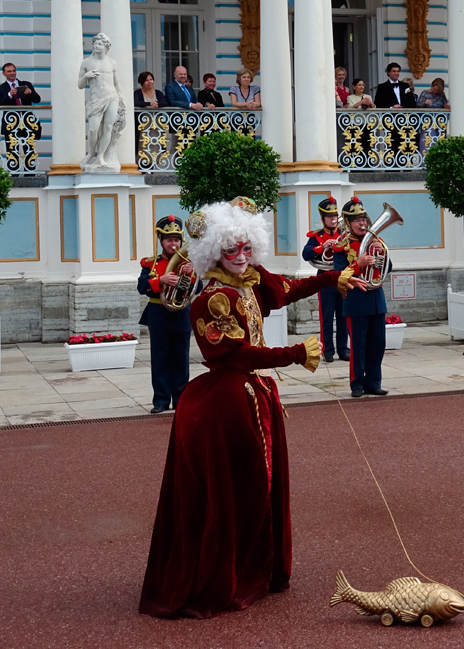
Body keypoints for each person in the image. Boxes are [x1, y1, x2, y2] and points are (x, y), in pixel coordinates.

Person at [140, 199, 364, 618]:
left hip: (253, 395)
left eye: (246, 248)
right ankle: (225, 572)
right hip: (225, 402)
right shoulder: (212, 299)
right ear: (213, 254)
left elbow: (288, 290)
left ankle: (256, 565)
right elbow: (237, 355)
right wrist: (297, 352)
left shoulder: (250, 282)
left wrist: (335, 278)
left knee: (260, 486)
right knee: (238, 491)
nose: (241, 257)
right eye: (231, 251)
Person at [335, 196, 392, 397]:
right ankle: (357, 384)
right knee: (358, 345)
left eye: (364, 219)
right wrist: (358, 265)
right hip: (356, 301)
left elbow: (388, 269)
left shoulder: (377, 242)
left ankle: (373, 382)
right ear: (349, 224)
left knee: (378, 343)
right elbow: (339, 275)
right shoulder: (341, 246)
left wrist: (382, 257)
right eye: (358, 221)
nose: (363, 224)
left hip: (376, 299)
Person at [137, 216, 195, 414]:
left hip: (181, 314)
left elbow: (198, 287)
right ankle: (161, 400)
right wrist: (160, 280)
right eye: (169, 239)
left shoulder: (188, 263)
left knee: (181, 358)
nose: (173, 243)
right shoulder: (150, 264)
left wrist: (191, 275)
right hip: (158, 314)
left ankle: (180, 399)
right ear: (161, 241)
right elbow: (141, 287)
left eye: (176, 239)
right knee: (160, 359)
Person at [302, 196, 349, 364]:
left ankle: (344, 349)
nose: (333, 219)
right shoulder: (316, 236)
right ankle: (328, 350)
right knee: (327, 317)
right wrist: (323, 246)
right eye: (330, 216)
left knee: (344, 316)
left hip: (341, 277)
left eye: (335, 215)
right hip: (325, 279)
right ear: (323, 219)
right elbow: (306, 254)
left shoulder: (344, 235)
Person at [77, 33, 126, 171]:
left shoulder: (112, 63)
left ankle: (100, 157)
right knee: (93, 129)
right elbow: (80, 85)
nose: (96, 46)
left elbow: (117, 83)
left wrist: (122, 99)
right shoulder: (86, 62)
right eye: (95, 44)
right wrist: (86, 76)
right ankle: (91, 153)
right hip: (96, 99)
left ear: (106, 46)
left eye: (100, 44)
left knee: (108, 127)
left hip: (112, 97)